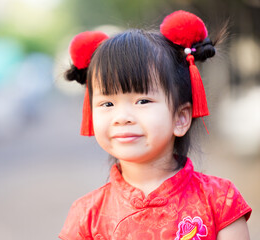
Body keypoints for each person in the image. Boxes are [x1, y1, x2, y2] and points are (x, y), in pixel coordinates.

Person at [59, 10, 251, 240]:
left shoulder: (220, 201)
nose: (122, 117)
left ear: (180, 118)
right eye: (107, 103)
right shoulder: (86, 216)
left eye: (142, 101)